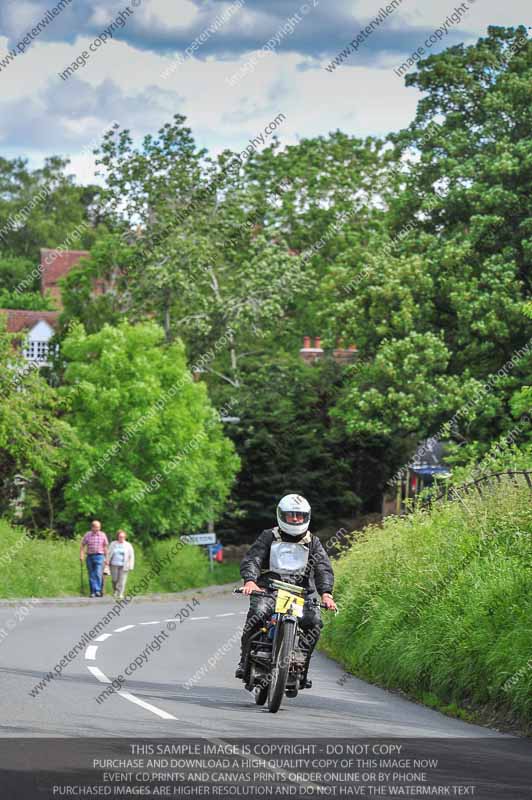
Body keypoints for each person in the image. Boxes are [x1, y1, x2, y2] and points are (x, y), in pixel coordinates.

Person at [235, 494, 336, 687]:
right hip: (268, 590)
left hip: (299, 594)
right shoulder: (269, 536)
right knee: (257, 613)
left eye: (299, 515)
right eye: (291, 515)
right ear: (282, 515)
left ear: (306, 517)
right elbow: (253, 559)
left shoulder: (312, 542)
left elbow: (323, 568)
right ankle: (245, 658)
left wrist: (326, 593)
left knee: (314, 622)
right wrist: (250, 581)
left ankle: (301, 663)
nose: (296, 519)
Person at [80, 520, 109, 598]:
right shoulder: (87, 535)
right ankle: (93, 591)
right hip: (90, 556)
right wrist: (81, 555)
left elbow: (105, 547)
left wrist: (107, 558)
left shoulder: (103, 535)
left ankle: (97, 590)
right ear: (92, 527)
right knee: (91, 574)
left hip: (100, 556)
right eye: (96, 527)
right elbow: (82, 545)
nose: (98, 528)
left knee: (98, 573)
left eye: (99, 527)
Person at [105, 530, 135, 599]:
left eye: (123, 537)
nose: (122, 538)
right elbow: (109, 553)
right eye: (120, 537)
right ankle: (115, 591)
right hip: (114, 564)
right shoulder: (113, 544)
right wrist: (107, 560)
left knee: (122, 580)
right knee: (114, 579)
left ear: (125, 537)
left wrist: (131, 565)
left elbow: (131, 556)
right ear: (117, 537)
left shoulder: (128, 545)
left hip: (124, 565)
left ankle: (120, 593)